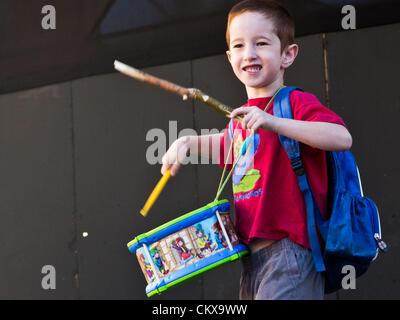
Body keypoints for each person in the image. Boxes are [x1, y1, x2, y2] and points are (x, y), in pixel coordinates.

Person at [161, 0, 352, 300]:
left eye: (261, 43)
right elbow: (231, 148)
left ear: (287, 54)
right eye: (238, 46)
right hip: (252, 260)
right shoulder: (243, 118)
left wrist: (274, 122)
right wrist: (187, 143)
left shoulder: (293, 103)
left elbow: (341, 137)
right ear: (229, 57)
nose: (248, 54)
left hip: (291, 253)